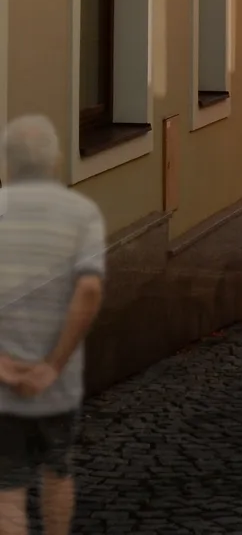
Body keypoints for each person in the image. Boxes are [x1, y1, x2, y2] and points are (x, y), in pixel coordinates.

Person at [0, 115, 105, 535]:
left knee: (7, 490)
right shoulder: (81, 213)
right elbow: (89, 290)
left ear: (7, 163)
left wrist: (4, 366)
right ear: (56, 161)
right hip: (58, 384)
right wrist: (52, 365)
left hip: (4, 386)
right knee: (57, 473)